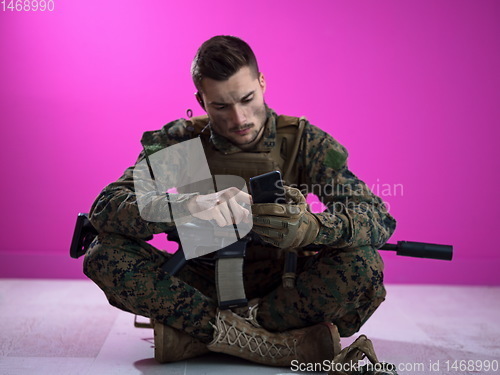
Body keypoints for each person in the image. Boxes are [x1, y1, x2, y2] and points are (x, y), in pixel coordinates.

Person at [83, 35, 397, 367]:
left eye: (247, 98)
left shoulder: (302, 142)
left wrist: (312, 228)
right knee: (104, 253)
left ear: (262, 83)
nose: (238, 118)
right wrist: (186, 207)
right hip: (201, 284)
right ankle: (267, 341)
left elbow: (375, 215)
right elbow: (108, 205)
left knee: (364, 264)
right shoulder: (185, 143)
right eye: (220, 106)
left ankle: (203, 335)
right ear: (201, 101)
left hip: (285, 286)